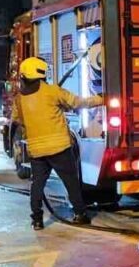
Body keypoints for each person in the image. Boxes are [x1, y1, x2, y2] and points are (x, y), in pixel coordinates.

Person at [10, 57, 104, 229]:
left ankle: (37, 220)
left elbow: (18, 120)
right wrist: (100, 99)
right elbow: (77, 102)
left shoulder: (19, 99)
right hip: (59, 148)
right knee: (70, 181)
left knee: (37, 184)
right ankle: (80, 214)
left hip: (36, 150)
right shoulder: (52, 91)